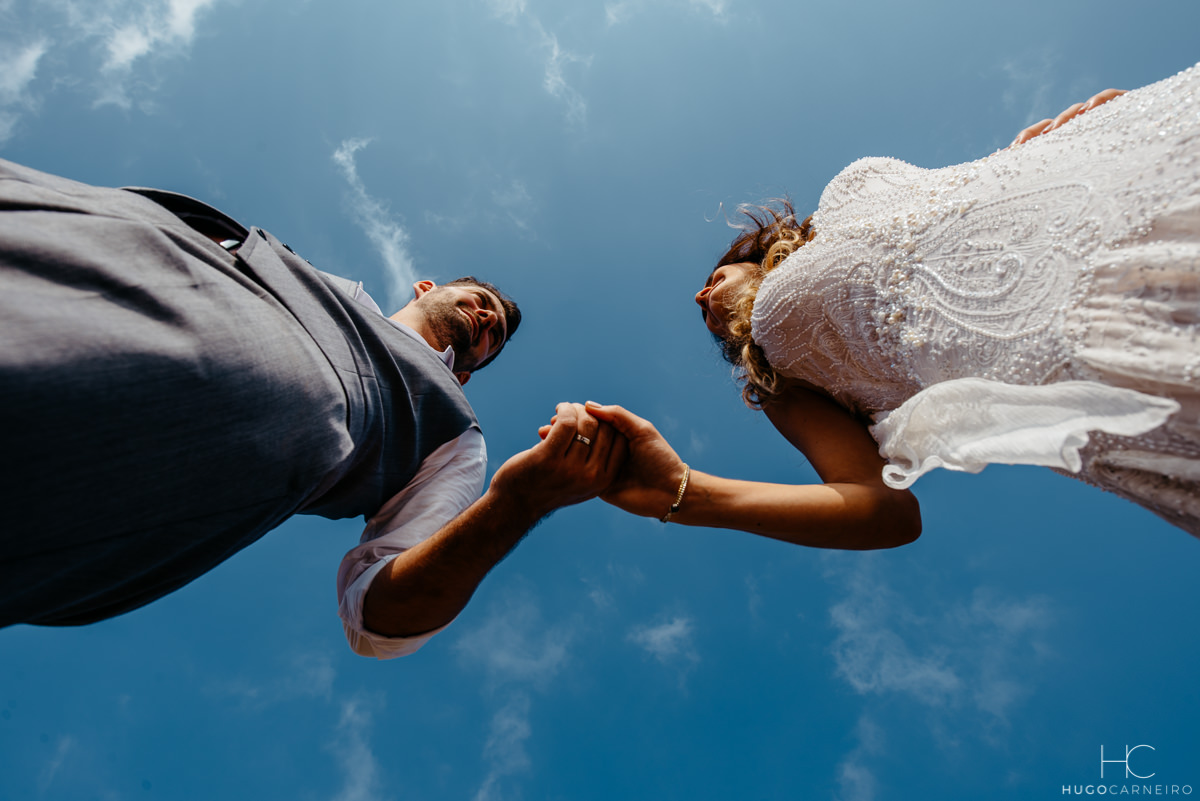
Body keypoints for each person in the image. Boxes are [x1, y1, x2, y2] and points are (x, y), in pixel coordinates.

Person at [0, 158, 625, 658]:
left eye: (495, 335)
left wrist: (519, 502)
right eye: (480, 298)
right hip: (66, 223)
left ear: (466, 373)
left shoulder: (452, 431)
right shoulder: (312, 274)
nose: (487, 316)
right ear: (426, 287)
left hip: (102, 438)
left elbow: (376, 620)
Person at [584, 62, 1200, 544]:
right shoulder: (776, 377)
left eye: (710, 280)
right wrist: (684, 492)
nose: (701, 296)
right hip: (1098, 332)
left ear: (749, 255)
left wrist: (1049, 148)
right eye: (703, 313)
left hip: (1131, 174)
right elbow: (883, 510)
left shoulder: (831, 217)